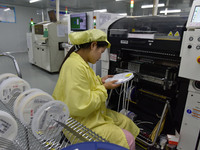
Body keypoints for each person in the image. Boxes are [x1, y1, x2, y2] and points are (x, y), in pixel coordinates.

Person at [52, 29, 140, 150]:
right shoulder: (75, 66)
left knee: (126, 122)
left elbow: (84, 85)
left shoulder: (80, 62)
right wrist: (104, 88)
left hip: (88, 115)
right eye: (101, 52)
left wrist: (100, 81)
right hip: (77, 123)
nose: (100, 56)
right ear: (93, 45)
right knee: (127, 139)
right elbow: (80, 105)